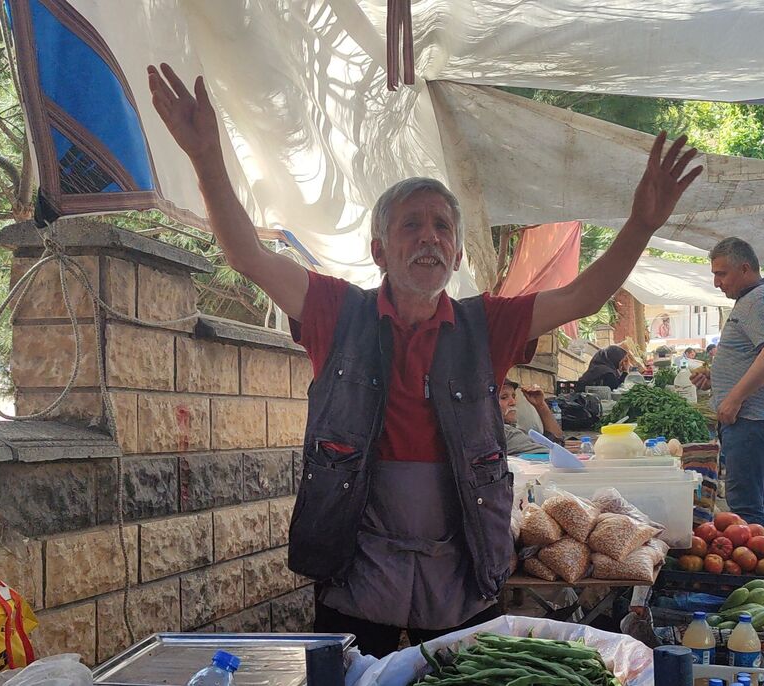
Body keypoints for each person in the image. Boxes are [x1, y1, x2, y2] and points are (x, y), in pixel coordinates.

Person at [147, 64, 702, 656]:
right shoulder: (338, 311)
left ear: (457, 250)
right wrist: (207, 158)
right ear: (379, 248)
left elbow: (582, 296)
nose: (429, 237)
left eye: (442, 227)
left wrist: (642, 223)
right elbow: (250, 257)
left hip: (463, 560)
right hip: (357, 562)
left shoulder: (484, 324)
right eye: (411, 225)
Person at [690, 238, 764, 537]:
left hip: (752, 419)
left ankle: (761, 577)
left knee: (745, 506)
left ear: (745, 268)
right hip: (759, 418)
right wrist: (718, 380)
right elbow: (757, 355)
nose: (716, 282)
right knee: (761, 498)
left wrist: (734, 398)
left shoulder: (758, 300)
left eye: (721, 274)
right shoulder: (758, 299)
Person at [499, 380, 564, 455]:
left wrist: (541, 405)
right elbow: (556, 452)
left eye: (513, 396)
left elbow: (555, 443)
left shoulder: (513, 431)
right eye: (504, 397)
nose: (513, 402)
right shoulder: (503, 433)